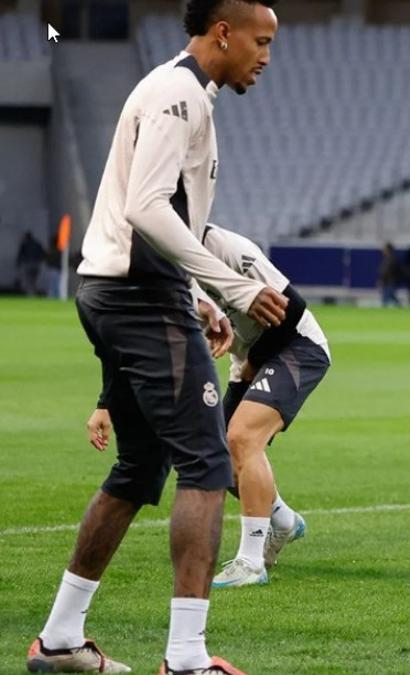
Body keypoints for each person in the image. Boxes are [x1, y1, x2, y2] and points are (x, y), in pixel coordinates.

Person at [26, 2, 285, 674]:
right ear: (222, 33)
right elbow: (144, 207)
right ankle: (187, 659)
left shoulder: (183, 92)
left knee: (139, 466)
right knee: (206, 463)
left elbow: (158, 214)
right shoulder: (177, 94)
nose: (265, 56)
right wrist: (229, 285)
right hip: (139, 295)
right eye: (260, 42)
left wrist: (196, 296)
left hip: (120, 289)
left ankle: (60, 640)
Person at [196, 224, 330, 587]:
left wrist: (253, 359)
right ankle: (283, 520)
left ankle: (251, 562)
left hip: (298, 346)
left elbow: (293, 308)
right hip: (246, 363)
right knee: (219, 458)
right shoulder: (173, 264)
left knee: (242, 438)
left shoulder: (225, 247)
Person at [17, 230, 45, 295]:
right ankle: (34, 291)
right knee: (34, 279)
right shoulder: (37, 243)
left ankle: (30, 293)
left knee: (28, 279)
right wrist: (40, 260)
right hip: (36, 264)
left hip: (28, 263)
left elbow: (20, 254)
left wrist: (18, 262)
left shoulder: (24, 244)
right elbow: (42, 253)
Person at [378, 242, 401, 307]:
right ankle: (400, 307)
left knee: (385, 298)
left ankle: (384, 312)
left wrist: (381, 279)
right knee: (392, 296)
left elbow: (386, 271)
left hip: (389, 282)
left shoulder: (390, 259)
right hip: (390, 281)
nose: (383, 250)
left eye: (384, 248)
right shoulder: (390, 258)